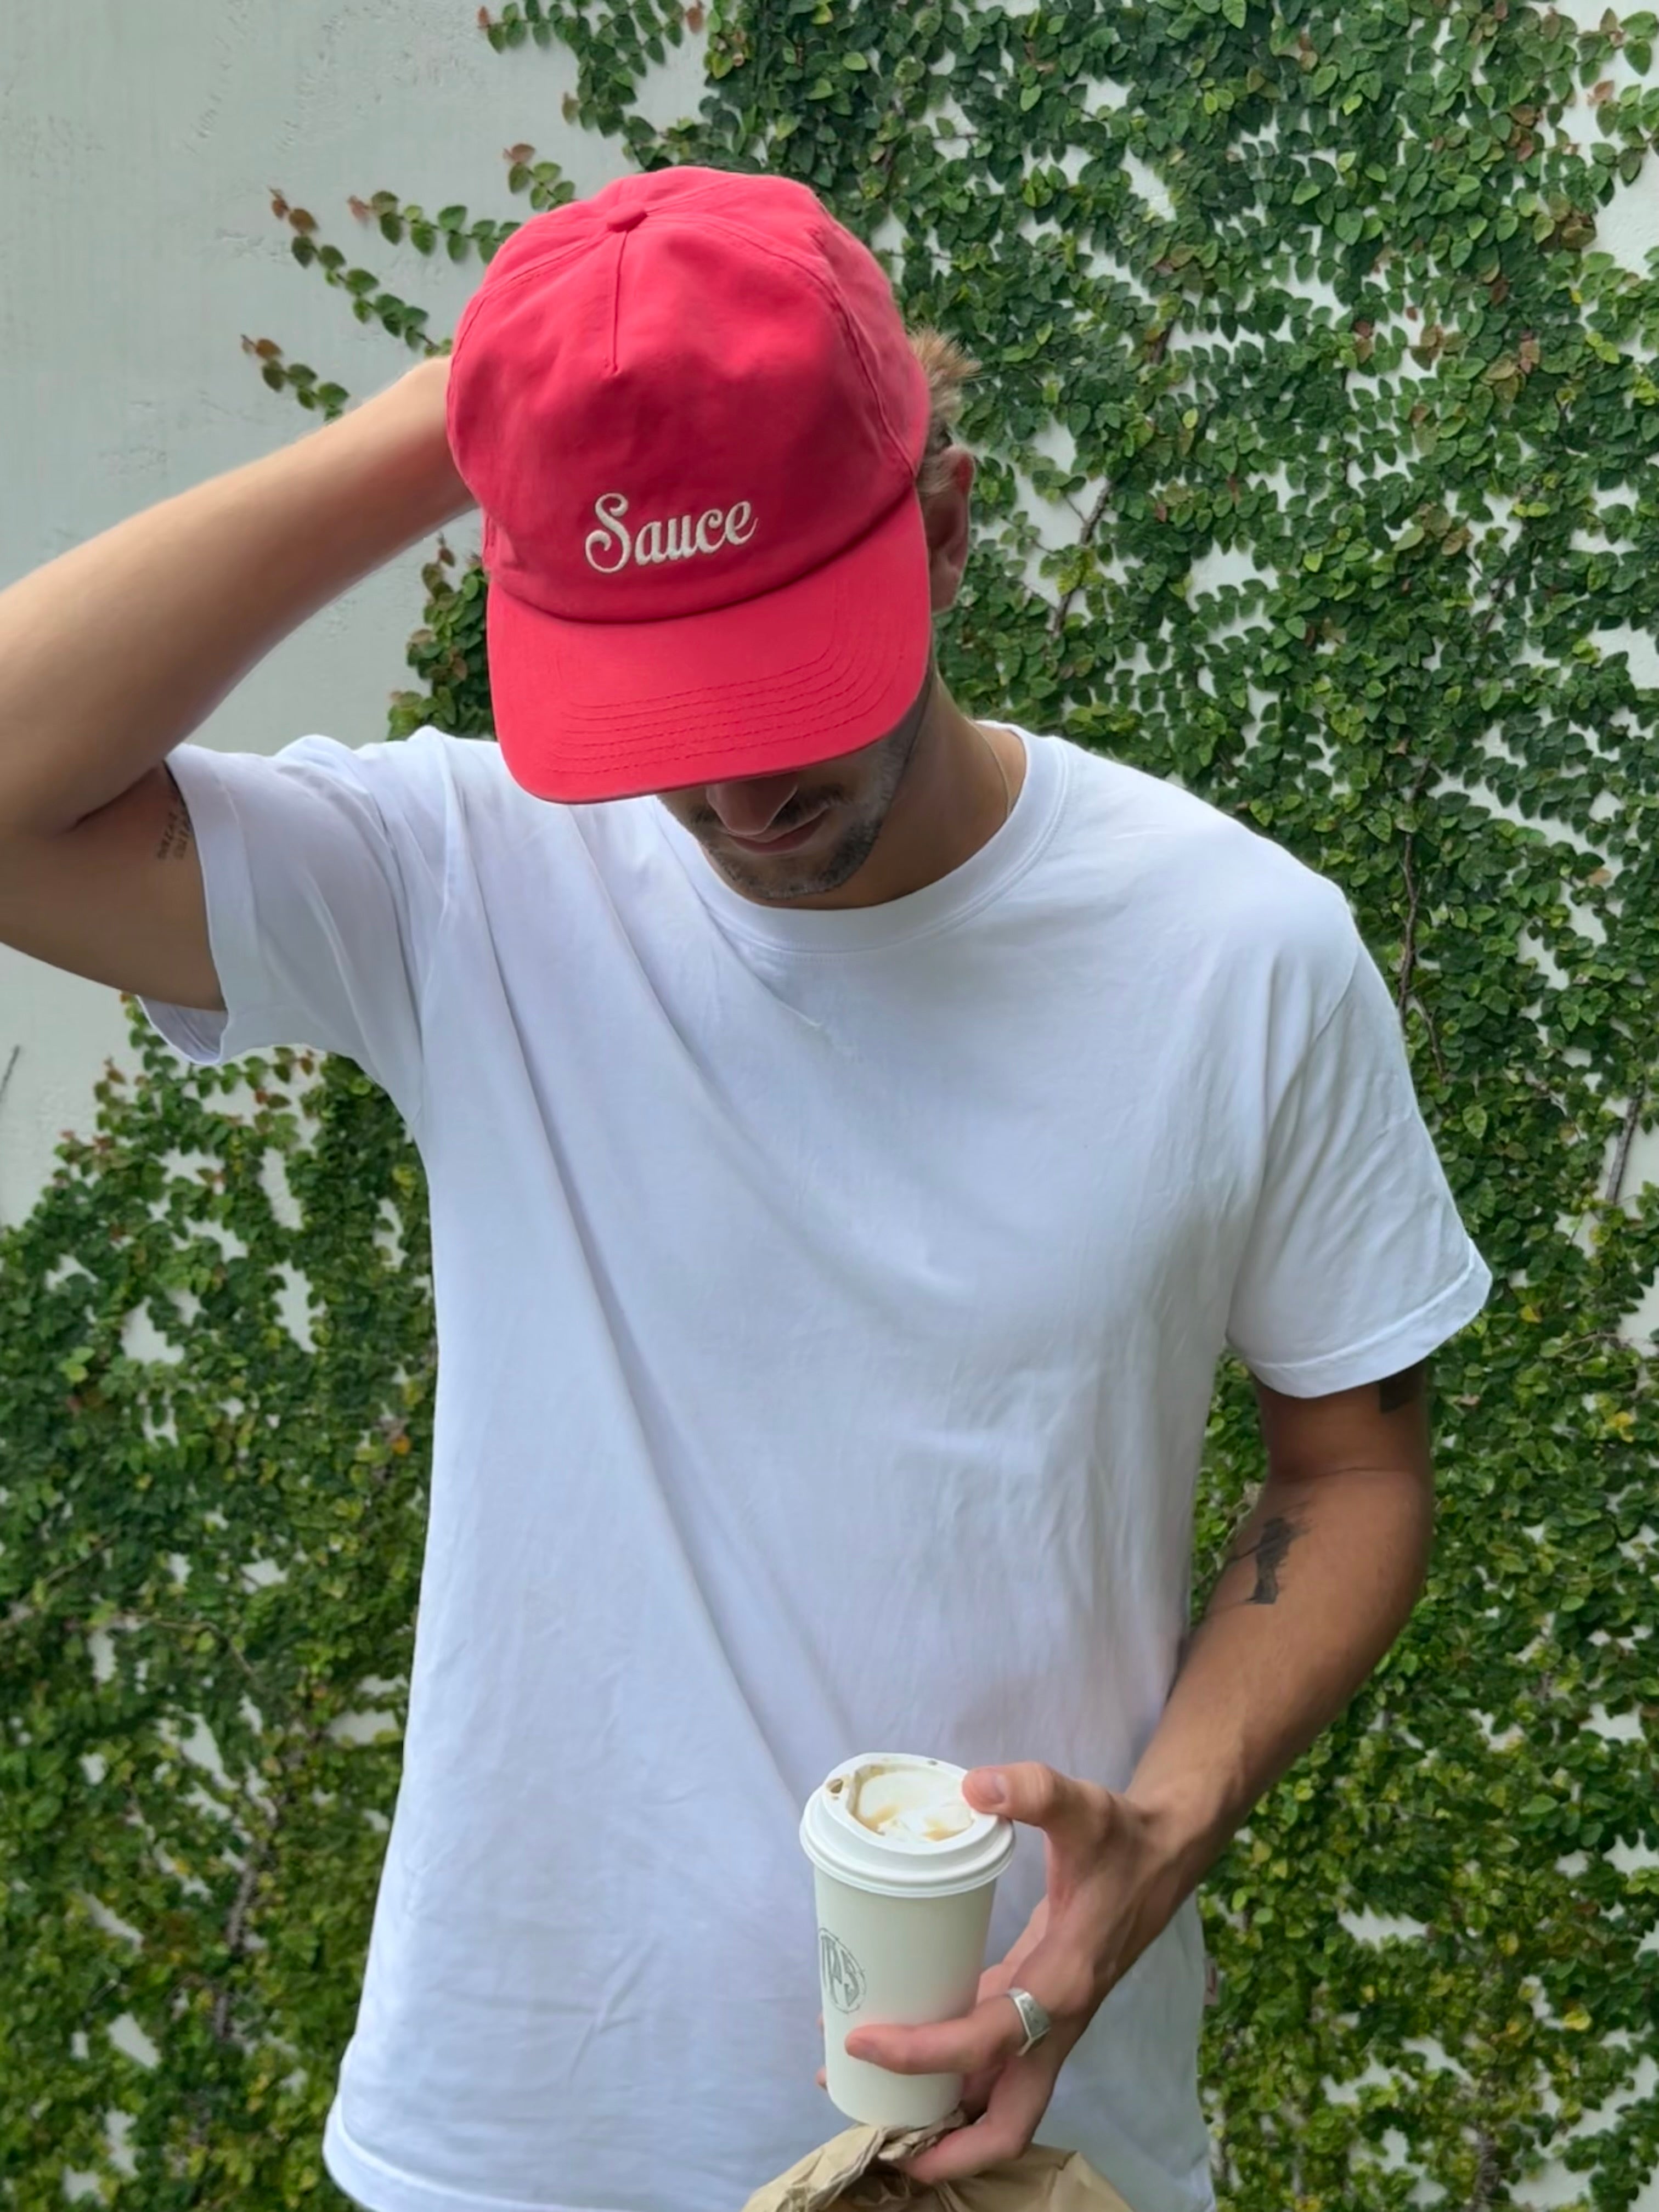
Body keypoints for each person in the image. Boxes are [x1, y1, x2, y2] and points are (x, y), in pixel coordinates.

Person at [0, 163, 1490, 2212]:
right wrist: (473, 417)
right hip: (522, 2139)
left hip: (1027, 2137)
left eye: (785, 677)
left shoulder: (1240, 953)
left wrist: (1158, 1832)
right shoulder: (470, 883)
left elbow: (1356, 1470)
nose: (733, 786)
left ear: (941, 529)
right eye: (657, 703)